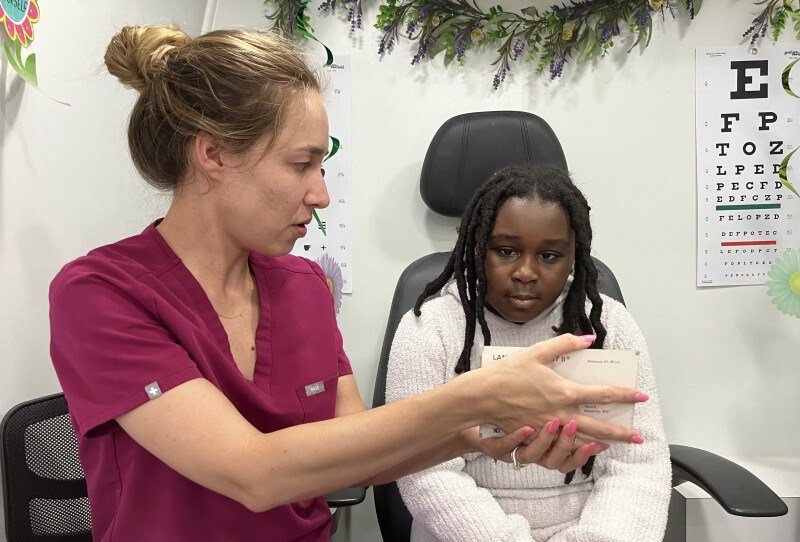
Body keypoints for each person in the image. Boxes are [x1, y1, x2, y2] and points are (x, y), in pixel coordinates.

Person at [48, 26, 650, 541]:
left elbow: (357, 453)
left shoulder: (303, 285)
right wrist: (477, 396)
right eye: (300, 164)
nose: (321, 193)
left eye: (322, 165)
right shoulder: (100, 294)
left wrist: (479, 442)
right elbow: (252, 472)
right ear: (213, 155)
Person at [386, 165, 672, 541]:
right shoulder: (430, 327)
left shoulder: (609, 326)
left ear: (575, 257)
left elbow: (638, 465)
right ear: (477, 248)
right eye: (505, 251)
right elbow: (424, 470)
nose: (525, 272)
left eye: (550, 256)